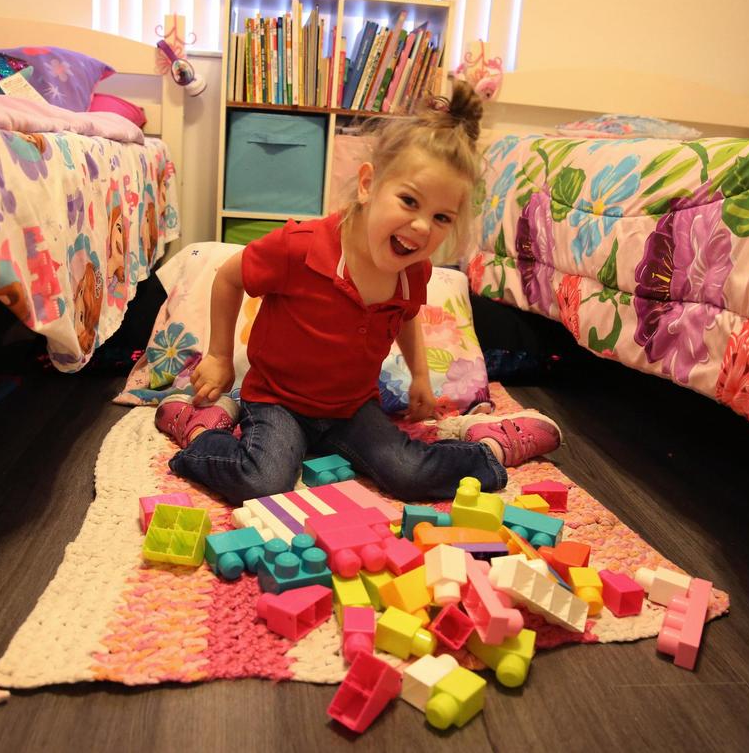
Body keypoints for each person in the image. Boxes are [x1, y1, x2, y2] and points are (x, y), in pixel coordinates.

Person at [154, 81, 561, 505]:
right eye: (409, 201)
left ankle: (491, 446)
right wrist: (220, 356)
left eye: (441, 217)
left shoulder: (413, 271)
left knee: (408, 473)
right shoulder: (300, 246)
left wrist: (421, 377)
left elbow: (405, 318)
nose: (422, 226)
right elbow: (228, 277)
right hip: (278, 401)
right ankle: (200, 429)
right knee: (263, 481)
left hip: (351, 409)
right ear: (368, 185)